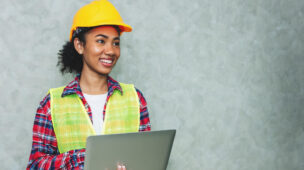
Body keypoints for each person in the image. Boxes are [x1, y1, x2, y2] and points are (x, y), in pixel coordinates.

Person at [27, 0, 151, 169]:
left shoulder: (135, 99)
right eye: (101, 41)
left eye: (116, 43)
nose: (110, 50)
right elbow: (35, 166)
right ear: (79, 45)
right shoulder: (51, 104)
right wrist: (82, 159)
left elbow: (147, 158)